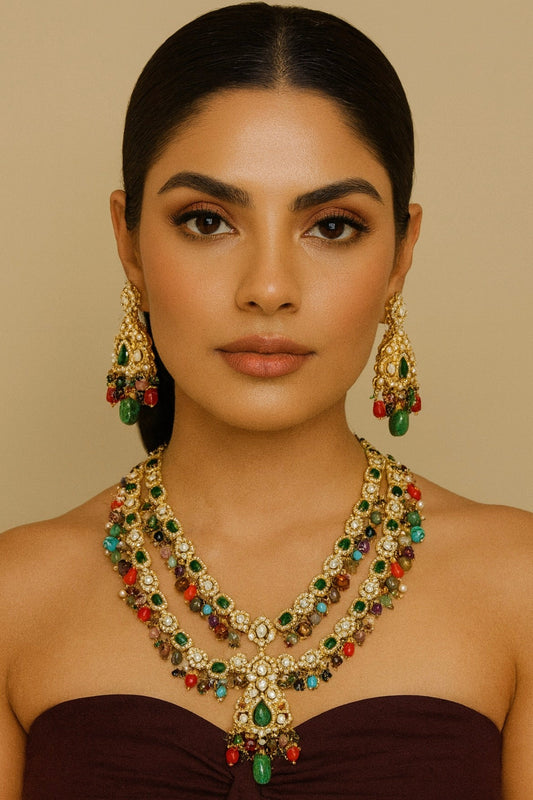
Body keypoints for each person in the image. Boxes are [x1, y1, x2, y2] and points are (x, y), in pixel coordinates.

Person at [1, 3, 531, 798]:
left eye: (333, 226)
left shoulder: (517, 586)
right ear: (129, 240)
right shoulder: (15, 597)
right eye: (207, 220)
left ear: (399, 255)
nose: (270, 289)